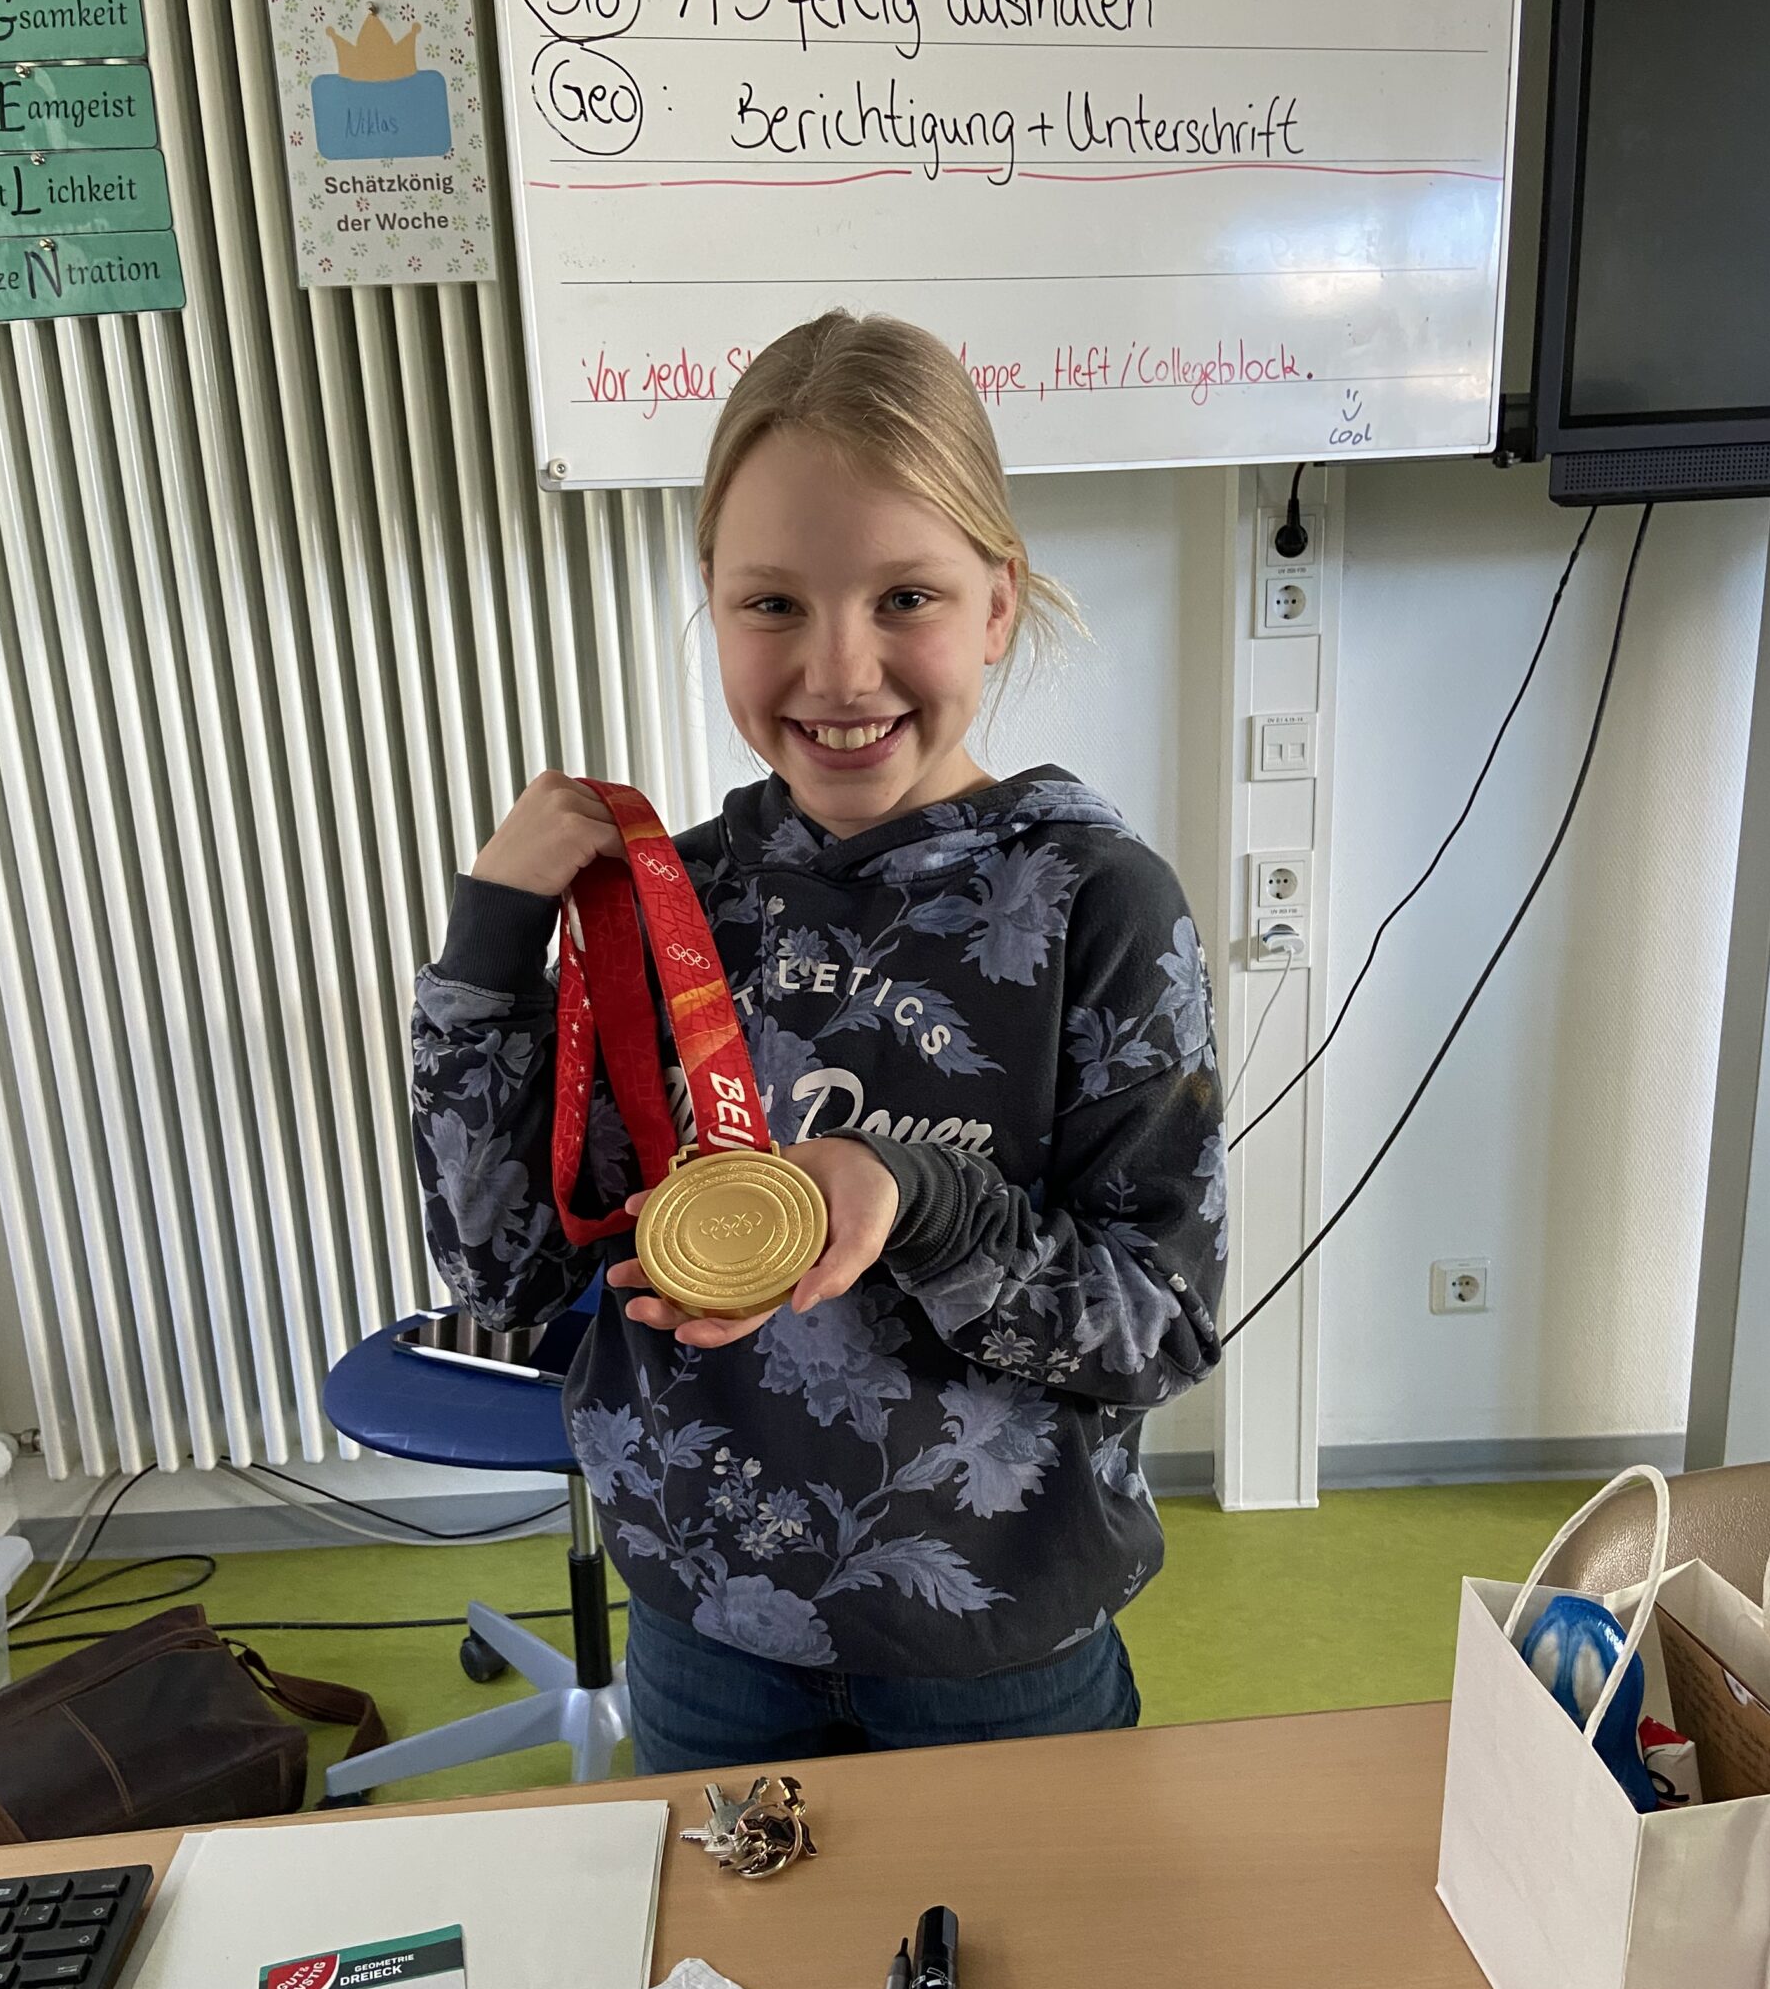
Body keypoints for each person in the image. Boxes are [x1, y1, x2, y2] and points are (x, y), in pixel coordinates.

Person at [410, 311, 1226, 1770]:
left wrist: (918, 1197)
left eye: (905, 596)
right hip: (705, 1632)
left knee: (1038, 1931)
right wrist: (488, 949)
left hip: (1002, 1649)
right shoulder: (662, 906)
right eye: (773, 604)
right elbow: (505, 1277)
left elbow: (1156, 1326)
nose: (842, 671)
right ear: (713, 606)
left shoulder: (1096, 903)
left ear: (996, 603)